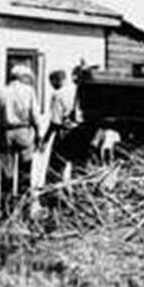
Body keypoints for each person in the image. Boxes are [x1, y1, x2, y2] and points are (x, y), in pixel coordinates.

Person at [0, 64, 45, 218]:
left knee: (6, 174)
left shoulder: (0, 93)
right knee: (25, 173)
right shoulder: (28, 91)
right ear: (22, 77)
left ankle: (6, 211)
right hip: (23, 132)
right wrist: (39, 134)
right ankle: (24, 211)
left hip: (5, 133)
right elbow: (34, 115)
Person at [43, 68, 82, 200]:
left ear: (56, 80)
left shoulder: (58, 94)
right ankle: (79, 198)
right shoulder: (77, 90)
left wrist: (45, 139)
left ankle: (54, 200)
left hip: (64, 133)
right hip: (79, 131)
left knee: (56, 168)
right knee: (78, 169)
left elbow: (55, 121)